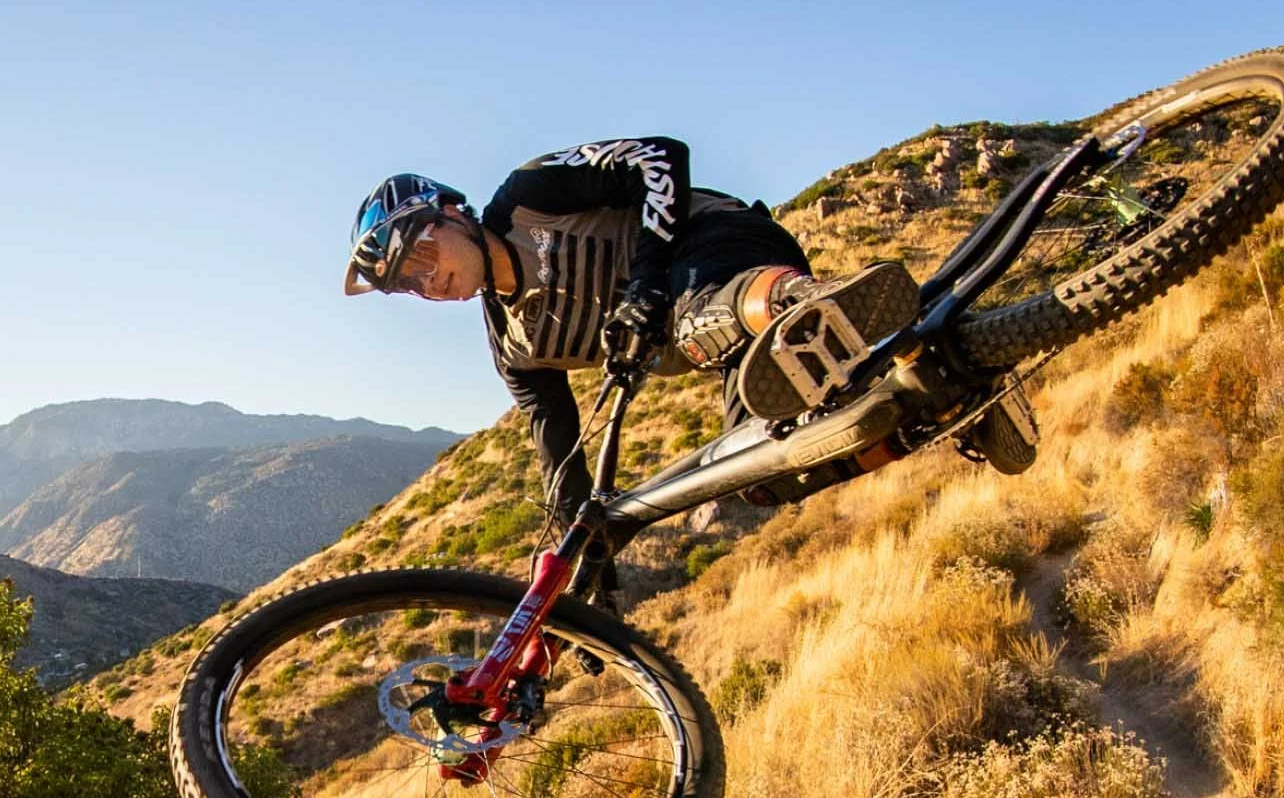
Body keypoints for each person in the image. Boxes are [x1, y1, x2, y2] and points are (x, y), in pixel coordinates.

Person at [342, 142, 922, 524]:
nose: (427, 283)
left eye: (420, 257)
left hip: (720, 243)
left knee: (695, 324)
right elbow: (557, 449)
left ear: (450, 213)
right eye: (407, 285)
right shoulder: (515, 345)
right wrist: (573, 554)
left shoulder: (529, 195)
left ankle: (806, 301)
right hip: (727, 346)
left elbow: (659, 157)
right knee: (758, 468)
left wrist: (644, 283)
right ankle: (919, 415)